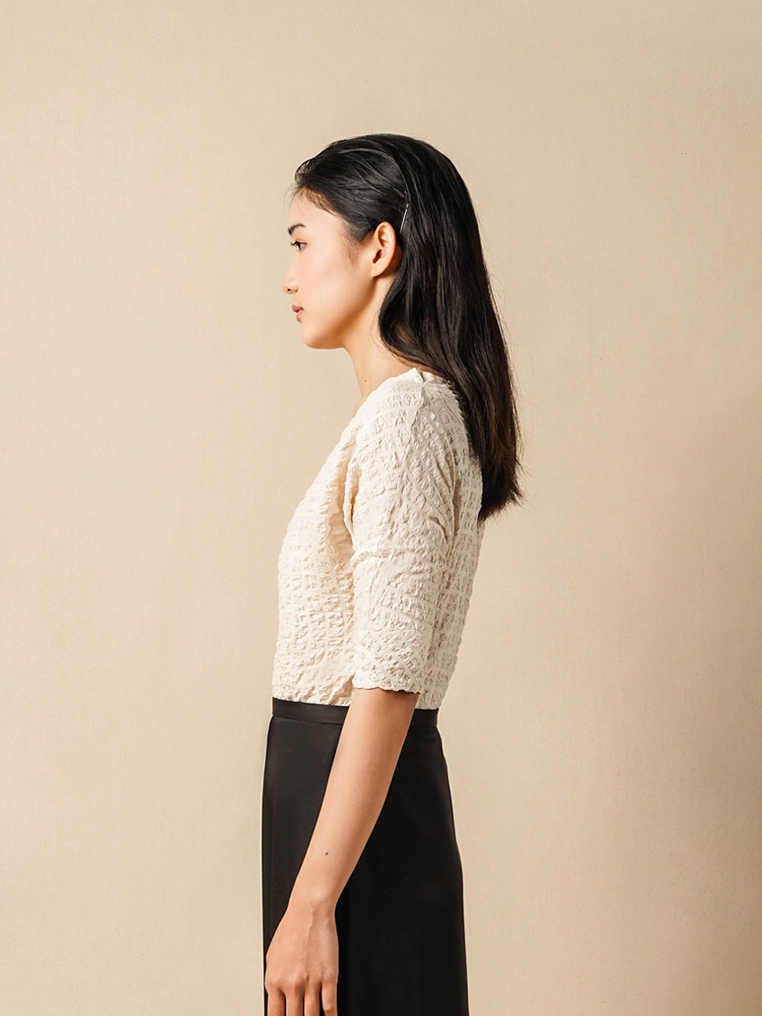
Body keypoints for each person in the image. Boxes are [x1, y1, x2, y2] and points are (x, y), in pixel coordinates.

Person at [261, 132, 523, 1016]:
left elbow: (389, 679)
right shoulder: (401, 413)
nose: (289, 277)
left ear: (380, 247)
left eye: (303, 242)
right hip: (343, 805)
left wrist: (312, 906)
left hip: (352, 815)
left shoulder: (408, 416)